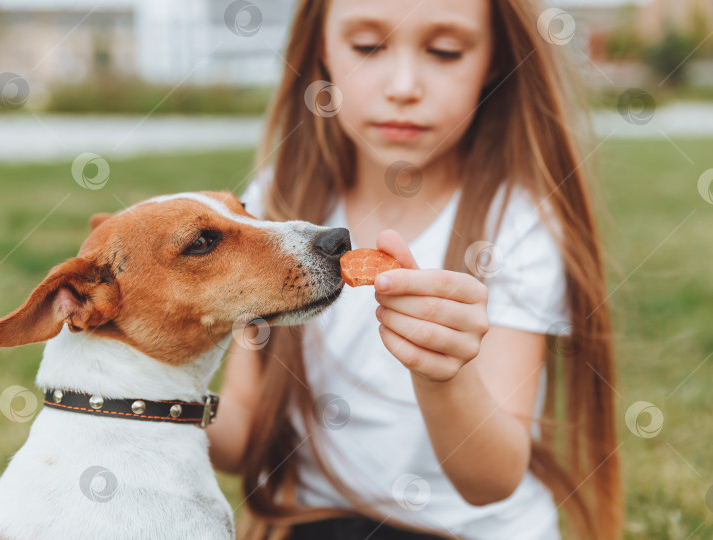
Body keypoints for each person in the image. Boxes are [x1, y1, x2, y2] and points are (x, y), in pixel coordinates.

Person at [206, 0, 622, 539]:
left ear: (495, 60)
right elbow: (241, 436)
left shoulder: (516, 227)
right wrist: (161, 394)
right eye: (368, 47)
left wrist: (443, 375)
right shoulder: (277, 203)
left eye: (445, 51)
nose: (404, 85)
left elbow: (490, 480)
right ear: (319, 50)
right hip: (317, 523)